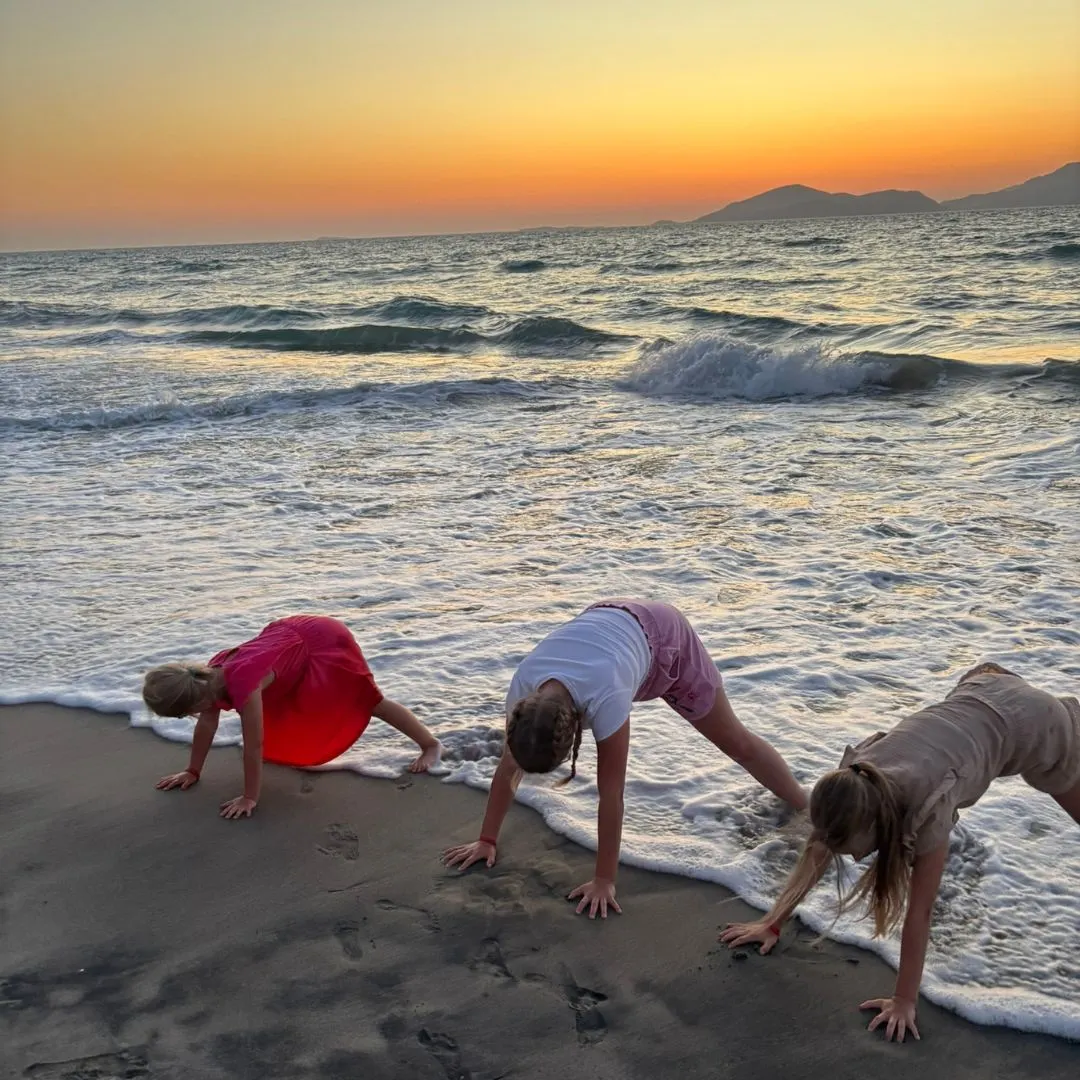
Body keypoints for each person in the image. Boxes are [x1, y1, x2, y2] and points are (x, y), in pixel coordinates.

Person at [720, 662, 1080, 1043]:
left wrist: (904, 1000)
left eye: (851, 850)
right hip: (984, 686)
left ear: (877, 826)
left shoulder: (927, 808)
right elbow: (817, 852)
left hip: (1041, 727)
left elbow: (920, 912)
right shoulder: (854, 783)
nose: (853, 859)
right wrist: (772, 921)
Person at [442, 599, 808, 916]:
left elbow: (611, 794)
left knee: (735, 742)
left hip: (667, 641)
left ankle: (807, 806)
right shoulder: (525, 692)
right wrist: (487, 839)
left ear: (575, 734)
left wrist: (604, 881)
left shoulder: (605, 696)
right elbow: (508, 767)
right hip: (612, 621)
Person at [143, 614, 441, 818]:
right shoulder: (205, 679)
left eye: (184, 715)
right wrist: (192, 771)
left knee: (367, 701)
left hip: (322, 643)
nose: (194, 717)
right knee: (289, 705)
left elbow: (254, 745)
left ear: (194, 702)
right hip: (287, 642)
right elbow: (208, 723)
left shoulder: (244, 685)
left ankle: (429, 744)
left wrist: (250, 797)